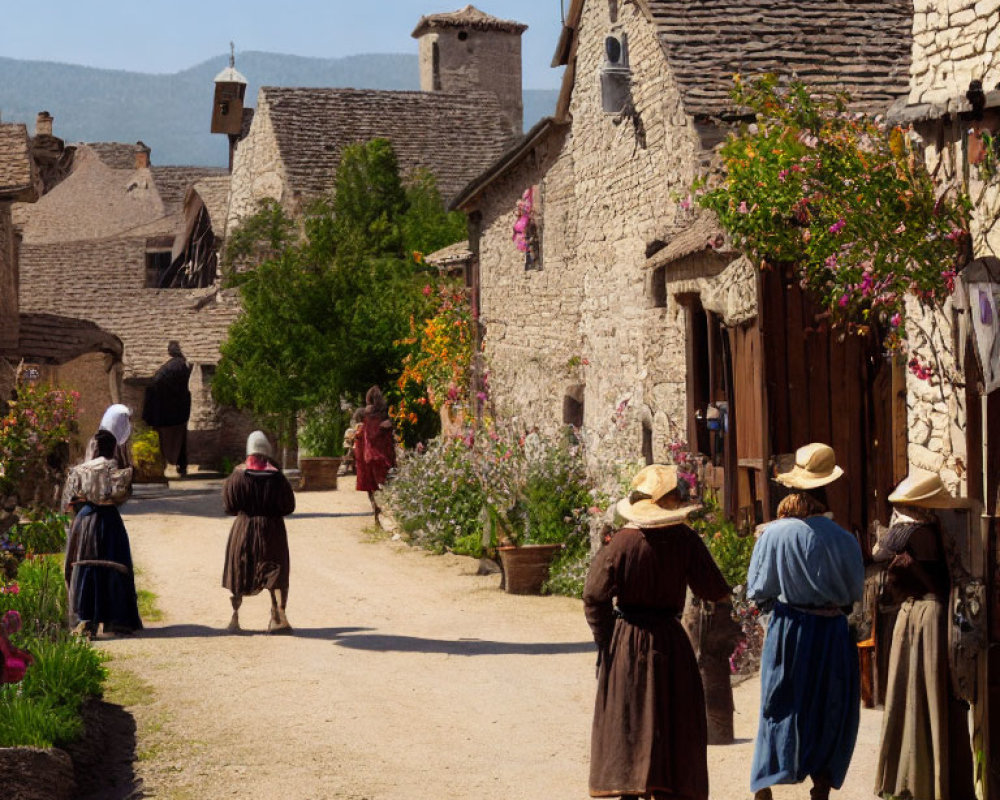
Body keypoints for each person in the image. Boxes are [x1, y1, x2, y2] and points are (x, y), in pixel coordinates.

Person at [583, 464, 731, 800]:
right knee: (671, 718)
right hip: (669, 638)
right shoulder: (685, 541)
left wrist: (606, 639)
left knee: (630, 718)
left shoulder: (620, 544)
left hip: (628, 639)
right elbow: (716, 590)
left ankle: (631, 790)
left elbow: (594, 596)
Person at [747, 443, 865, 800]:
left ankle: (765, 785)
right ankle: (822, 786)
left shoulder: (774, 535)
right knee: (830, 705)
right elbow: (854, 592)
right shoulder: (845, 539)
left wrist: (778, 609)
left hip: (788, 630)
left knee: (778, 702)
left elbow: (757, 588)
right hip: (831, 633)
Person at [873, 469, 975, 800]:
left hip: (924, 616)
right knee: (927, 696)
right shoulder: (936, 529)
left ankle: (917, 782)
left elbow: (879, 554)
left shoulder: (912, 531)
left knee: (917, 694)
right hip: (931, 614)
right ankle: (935, 779)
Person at [64, 404, 142, 636]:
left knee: (86, 564)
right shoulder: (119, 471)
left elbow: (68, 501)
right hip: (108, 521)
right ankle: (114, 618)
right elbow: (122, 495)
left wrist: (83, 504)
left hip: (86, 521)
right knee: (112, 565)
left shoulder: (79, 471)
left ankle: (86, 618)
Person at [222, 431, 295, 633]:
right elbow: (288, 506)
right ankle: (279, 618)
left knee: (240, 569)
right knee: (276, 570)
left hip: (244, 529)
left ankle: (235, 618)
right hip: (272, 530)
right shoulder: (278, 478)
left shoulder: (237, 477)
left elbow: (229, 507)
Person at [142, 340, 192, 476]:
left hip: (165, 410)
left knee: (164, 439)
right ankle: (182, 467)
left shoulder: (169, 368)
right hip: (180, 409)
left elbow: (156, 383)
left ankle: (167, 465)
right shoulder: (183, 366)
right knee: (181, 440)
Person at [355, 386, 396, 527]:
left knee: (371, 486)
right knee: (384, 483)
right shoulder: (385, 414)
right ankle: (384, 514)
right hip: (382, 453)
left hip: (365, 454)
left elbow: (358, 433)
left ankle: (377, 513)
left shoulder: (362, 414)